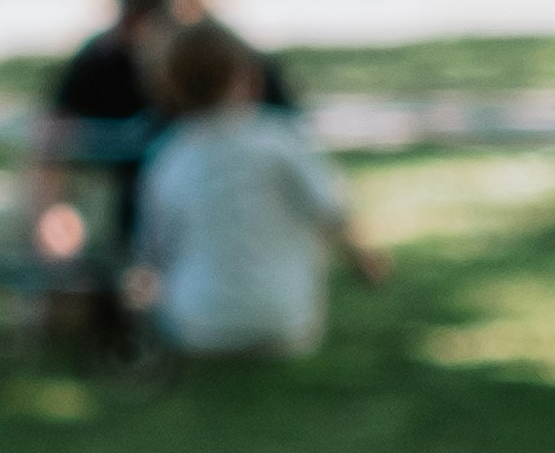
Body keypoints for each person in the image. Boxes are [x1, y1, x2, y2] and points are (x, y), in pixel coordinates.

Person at [20, 0, 276, 325]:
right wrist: (53, 216)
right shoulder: (101, 59)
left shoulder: (228, 60)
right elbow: (50, 144)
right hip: (130, 235)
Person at [133, 19, 378, 358]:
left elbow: (154, 253)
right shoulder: (281, 140)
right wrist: (367, 264)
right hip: (287, 325)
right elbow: (333, 214)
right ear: (246, 76)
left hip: (196, 328)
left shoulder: (168, 157)